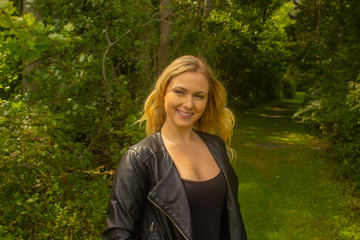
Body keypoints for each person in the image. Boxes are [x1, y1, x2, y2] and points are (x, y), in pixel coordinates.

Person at [103, 55, 247, 240]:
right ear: (163, 92)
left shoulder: (216, 147)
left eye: (198, 96)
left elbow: (232, 220)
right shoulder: (140, 159)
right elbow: (118, 234)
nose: (188, 104)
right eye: (180, 92)